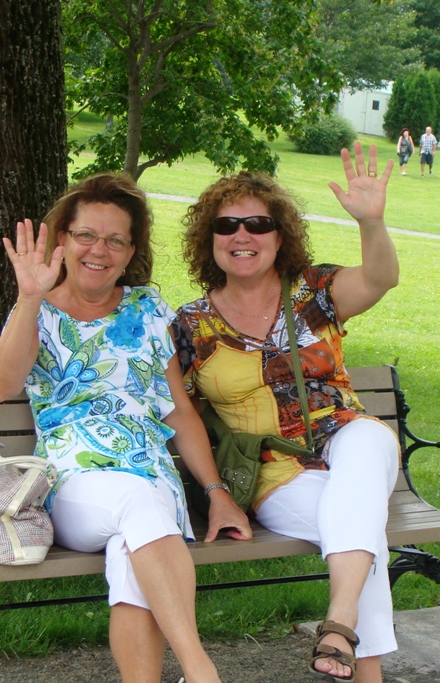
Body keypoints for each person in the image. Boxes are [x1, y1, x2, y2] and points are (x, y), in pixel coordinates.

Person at [0, 174, 252, 683]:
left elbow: (179, 411)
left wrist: (216, 492)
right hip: (74, 484)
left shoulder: (147, 310)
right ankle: (200, 670)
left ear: (130, 253)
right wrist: (29, 298)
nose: (98, 250)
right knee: (138, 504)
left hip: (153, 481)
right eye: (86, 235)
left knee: (133, 552)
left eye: (115, 240)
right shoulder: (37, 310)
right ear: (62, 240)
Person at [171, 142, 401, 683]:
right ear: (209, 239)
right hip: (275, 473)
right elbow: (181, 414)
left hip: (348, 438)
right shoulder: (191, 326)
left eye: (258, 224)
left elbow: (380, 278)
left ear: (281, 237)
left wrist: (371, 221)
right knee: (363, 530)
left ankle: (339, 623)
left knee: (367, 446)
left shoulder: (314, 293)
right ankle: (353, 651)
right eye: (227, 225)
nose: (242, 236)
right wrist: (216, 493)